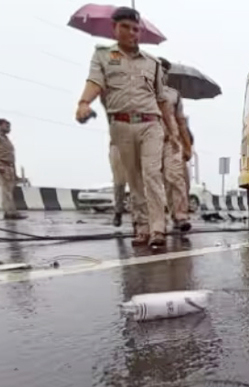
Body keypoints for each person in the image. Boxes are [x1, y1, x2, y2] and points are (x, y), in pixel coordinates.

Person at [75, 7, 178, 247]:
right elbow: (94, 82)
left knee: (152, 174)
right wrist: (83, 103)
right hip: (121, 125)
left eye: (136, 29)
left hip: (151, 124)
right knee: (134, 179)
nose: (132, 33)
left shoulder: (152, 63)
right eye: (126, 28)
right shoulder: (102, 56)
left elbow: (162, 100)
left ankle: (158, 228)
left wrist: (172, 132)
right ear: (115, 28)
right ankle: (141, 227)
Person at [158, 57, 191, 232]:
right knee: (154, 181)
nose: (161, 73)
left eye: (164, 71)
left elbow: (181, 122)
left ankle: (180, 216)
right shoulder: (143, 92)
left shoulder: (173, 94)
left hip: (172, 142)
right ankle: (156, 220)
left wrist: (187, 146)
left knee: (175, 177)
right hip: (149, 141)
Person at [0, 119, 26, 220]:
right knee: (6, 190)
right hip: (1, 165)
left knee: (10, 190)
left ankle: (12, 211)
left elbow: (11, 156)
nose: (8, 127)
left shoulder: (6, 138)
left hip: (9, 166)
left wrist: (15, 172)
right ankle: (9, 212)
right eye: (6, 125)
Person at [109, 142, 127, 227]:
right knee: (119, 179)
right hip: (118, 141)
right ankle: (118, 212)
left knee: (137, 180)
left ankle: (139, 218)